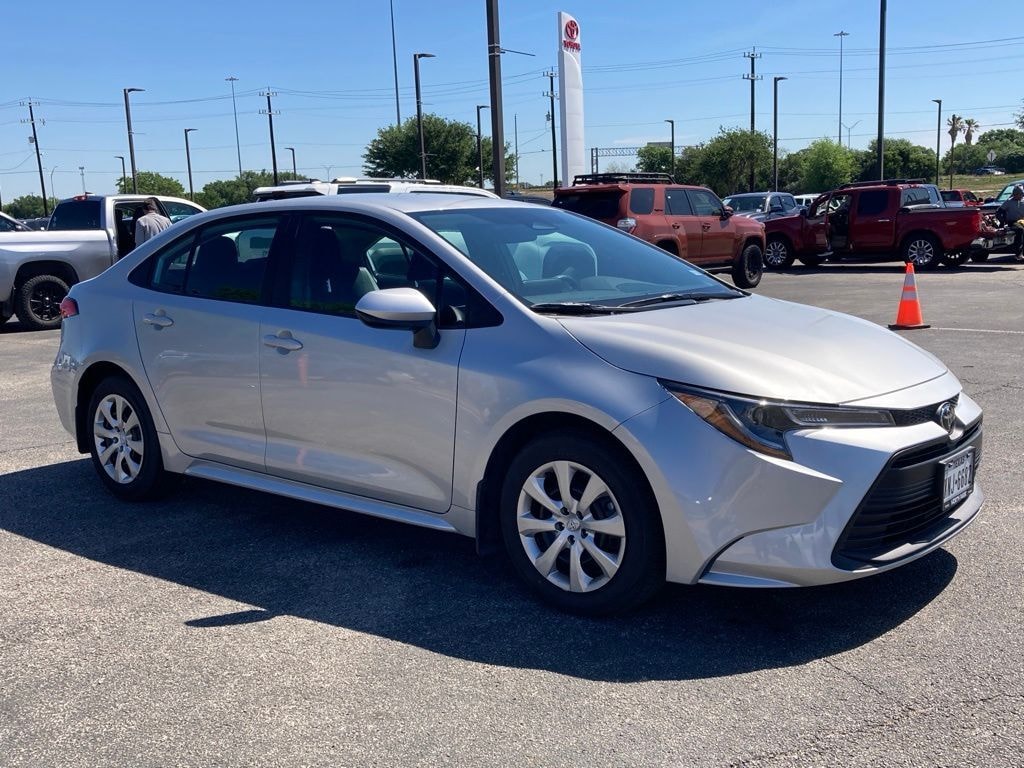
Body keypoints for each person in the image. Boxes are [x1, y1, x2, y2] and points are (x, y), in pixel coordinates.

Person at [997, 185, 1024, 260]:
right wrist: (1002, 222)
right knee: (1020, 230)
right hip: (1013, 222)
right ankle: (1018, 253)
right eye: (1018, 194)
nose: (1020, 196)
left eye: (1021, 194)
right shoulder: (1009, 202)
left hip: (1023, 220)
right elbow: (999, 212)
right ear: (1014, 194)